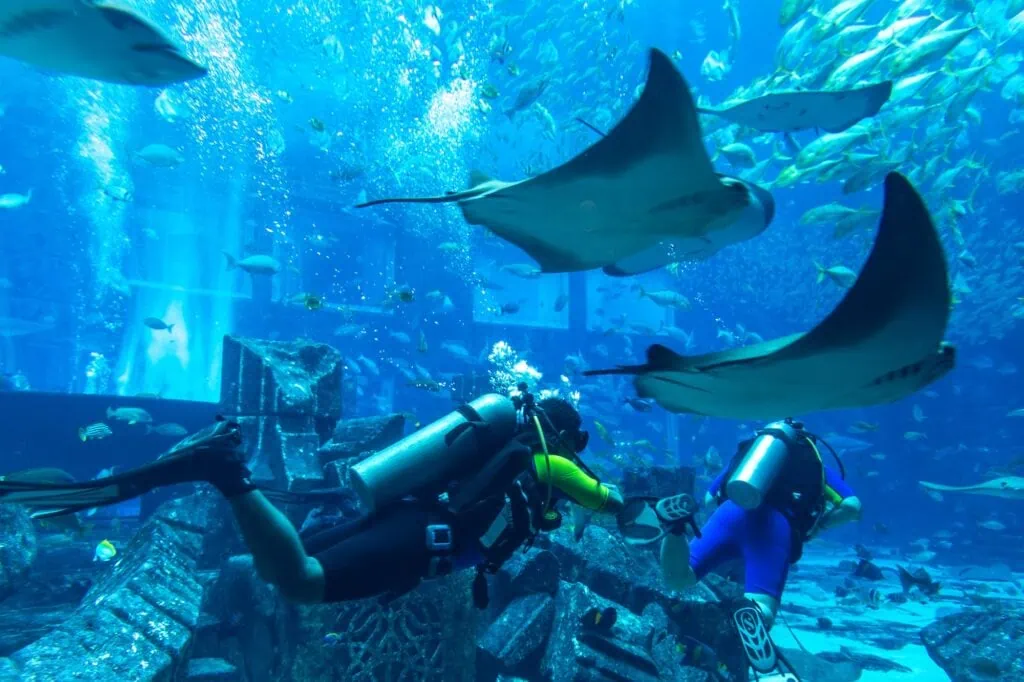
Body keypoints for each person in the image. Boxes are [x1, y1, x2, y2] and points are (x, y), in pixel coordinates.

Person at [0, 388, 623, 606]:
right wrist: (641, 506)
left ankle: (214, 467)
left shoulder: (505, 451)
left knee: (284, 565)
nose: (576, 454)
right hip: (429, 537)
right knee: (299, 580)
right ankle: (227, 473)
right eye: (576, 443)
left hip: (409, 515)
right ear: (561, 434)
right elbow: (612, 503)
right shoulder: (550, 463)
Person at [652, 419, 861, 630]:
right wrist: (819, 527)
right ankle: (752, 616)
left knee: (679, 578)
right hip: (773, 526)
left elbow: (709, 499)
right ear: (807, 443)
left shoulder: (748, 460)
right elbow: (852, 506)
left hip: (729, 514)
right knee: (761, 606)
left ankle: (675, 528)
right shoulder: (814, 465)